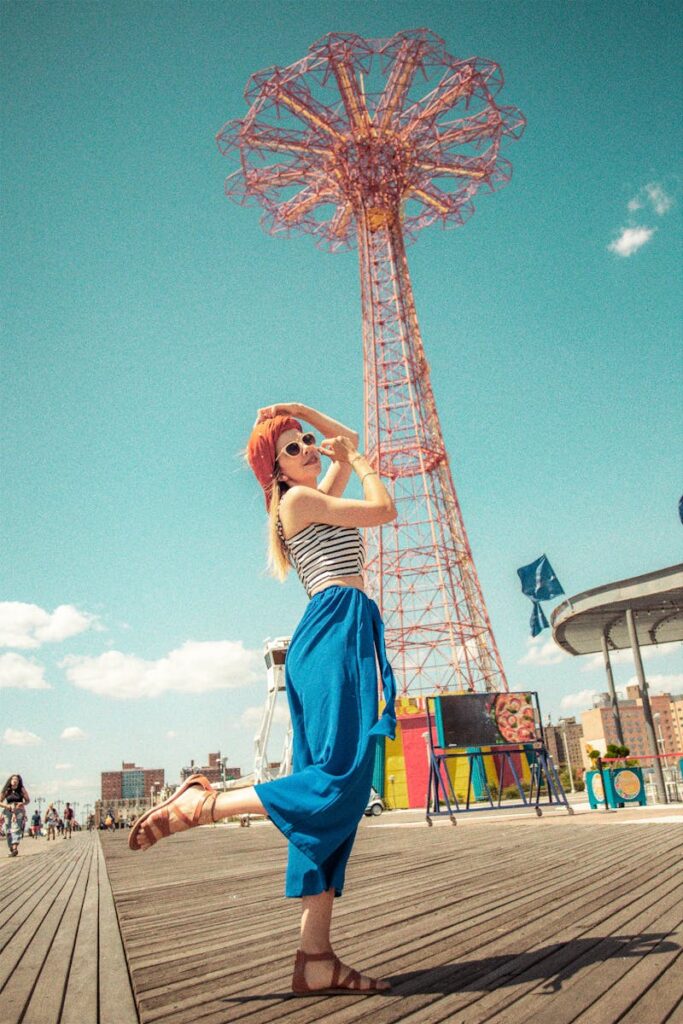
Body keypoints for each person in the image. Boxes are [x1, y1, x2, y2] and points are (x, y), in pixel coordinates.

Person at [129, 403, 397, 994]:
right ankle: (205, 803)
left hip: (339, 631)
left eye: (305, 442)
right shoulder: (297, 502)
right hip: (334, 630)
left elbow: (346, 437)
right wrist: (356, 461)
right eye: (294, 448)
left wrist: (301, 415)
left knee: (335, 799)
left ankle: (316, 958)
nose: (308, 449)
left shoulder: (313, 495)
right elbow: (384, 508)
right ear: (274, 471)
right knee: (339, 779)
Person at [1, 774, 30, 857]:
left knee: (16, 828)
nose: (14, 780)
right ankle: (11, 846)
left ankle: (14, 848)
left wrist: (22, 803)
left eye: (16, 779)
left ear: (19, 781)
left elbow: (28, 800)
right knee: (7, 829)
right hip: (8, 809)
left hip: (18, 810)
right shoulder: (7, 790)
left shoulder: (21, 789)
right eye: (13, 779)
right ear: (10, 781)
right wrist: (6, 806)